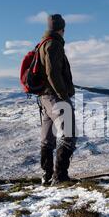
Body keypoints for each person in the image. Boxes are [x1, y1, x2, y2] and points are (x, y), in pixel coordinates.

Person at [38, 14, 76, 186]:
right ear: (62, 29)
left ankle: (46, 176)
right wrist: (63, 95)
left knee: (48, 139)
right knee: (68, 132)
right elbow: (52, 73)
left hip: (45, 97)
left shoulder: (43, 44)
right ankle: (59, 176)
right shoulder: (53, 44)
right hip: (54, 96)